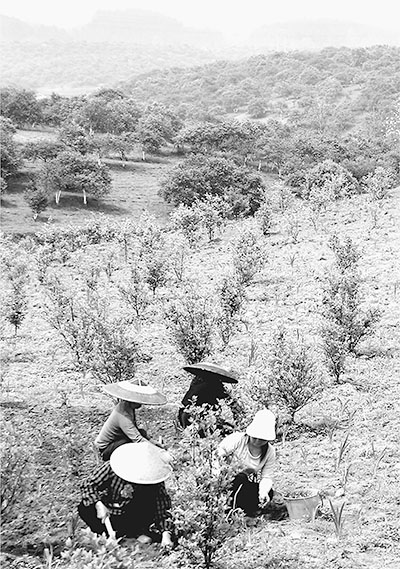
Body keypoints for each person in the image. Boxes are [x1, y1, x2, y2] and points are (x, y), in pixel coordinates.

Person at [78, 441, 174, 548]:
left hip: (133, 515)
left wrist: (166, 535)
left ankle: (134, 532)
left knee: (147, 501)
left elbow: (163, 510)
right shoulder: (112, 467)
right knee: (85, 507)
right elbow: (88, 484)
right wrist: (98, 504)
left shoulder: (154, 480)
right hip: (110, 511)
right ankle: (108, 534)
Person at [217, 409, 277, 517]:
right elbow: (217, 456)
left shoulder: (270, 452)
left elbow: (267, 477)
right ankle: (229, 508)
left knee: (269, 493)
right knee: (240, 479)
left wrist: (263, 492)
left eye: (262, 439)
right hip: (226, 482)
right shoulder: (237, 439)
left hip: (243, 486)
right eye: (255, 437)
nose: (257, 442)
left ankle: (242, 511)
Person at [95, 380, 167, 461]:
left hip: (117, 440)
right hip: (105, 449)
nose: (140, 404)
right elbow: (137, 439)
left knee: (142, 432)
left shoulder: (127, 407)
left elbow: (136, 431)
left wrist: (154, 443)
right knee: (133, 444)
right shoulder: (123, 415)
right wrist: (158, 452)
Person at [178, 362, 240, 432]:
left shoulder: (197, 380)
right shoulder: (214, 383)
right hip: (197, 416)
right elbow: (231, 401)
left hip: (186, 414)